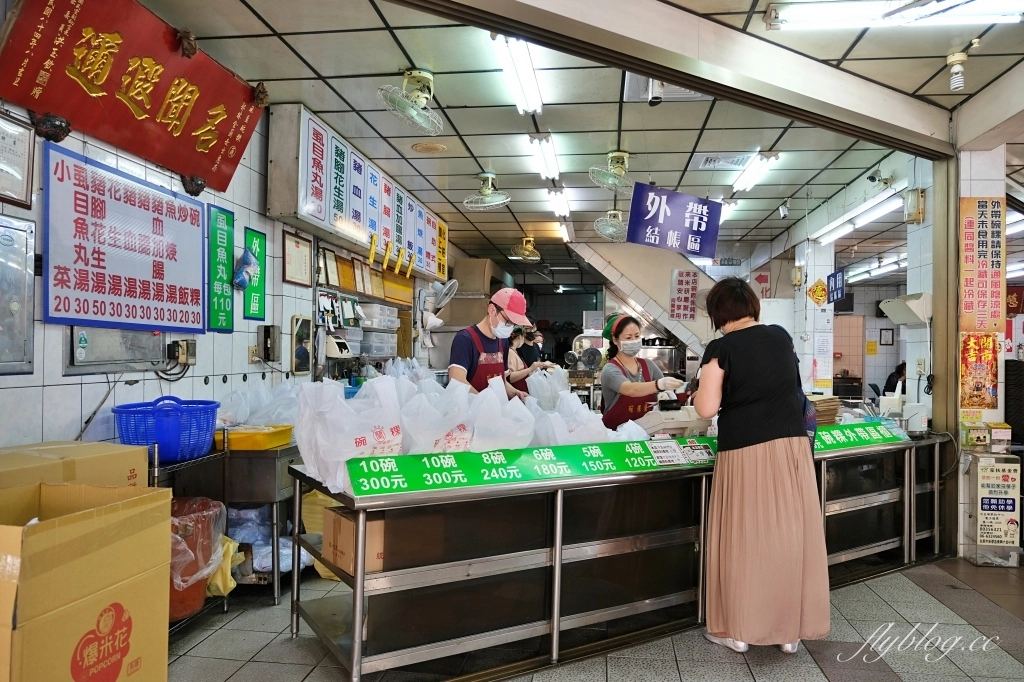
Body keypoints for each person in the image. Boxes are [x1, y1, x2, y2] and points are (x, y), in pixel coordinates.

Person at [691, 277, 829, 654]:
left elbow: (705, 408)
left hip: (745, 451)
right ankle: (789, 632)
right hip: (792, 448)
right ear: (753, 306)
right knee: (790, 535)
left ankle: (738, 630)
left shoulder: (722, 347)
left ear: (718, 314)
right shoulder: (780, 338)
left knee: (745, 538)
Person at [600, 314, 684, 429]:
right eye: (628, 338)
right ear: (615, 340)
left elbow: (665, 390)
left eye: (637, 336)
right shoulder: (610, 369)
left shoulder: (648, 365)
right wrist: (659, 384)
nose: (634, 341)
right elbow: (629, 389)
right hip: (616, 436)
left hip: (647, 433)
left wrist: (666, 394)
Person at [448, 288, 531, 398]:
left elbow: (502, 382)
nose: (511, 327)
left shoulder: (503, 342)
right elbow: (457, 382)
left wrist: (515, 393)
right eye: (508, 321)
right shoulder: (465, 339)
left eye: (514, 324)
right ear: (492, 310)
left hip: (495, 412)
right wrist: (485, 404)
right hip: (470, 412)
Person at [507, 327, 549, 393]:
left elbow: (523, 374)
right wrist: (530, 369)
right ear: (519, 337)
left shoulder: (515, 352)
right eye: (523, 336)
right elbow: (510, 377)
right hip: (518, 394)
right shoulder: (510, 352)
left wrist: (536, 368)